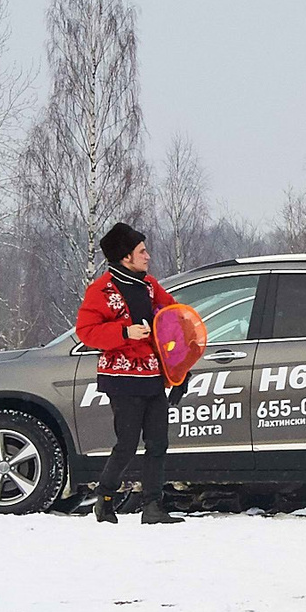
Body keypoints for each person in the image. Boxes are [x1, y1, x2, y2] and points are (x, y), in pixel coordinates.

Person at [76, 221, 186, 525]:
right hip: (121, 378)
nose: (147, 256)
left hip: (152, 374)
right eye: (142, 251)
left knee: (158, 442)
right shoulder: (101, 290)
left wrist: (180, 370)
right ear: (126, 256)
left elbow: (173, 319)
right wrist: (125, 332)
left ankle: (153, 506)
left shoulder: (150, 286)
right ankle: (106, 498)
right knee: (126, 443)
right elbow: (86, 332)